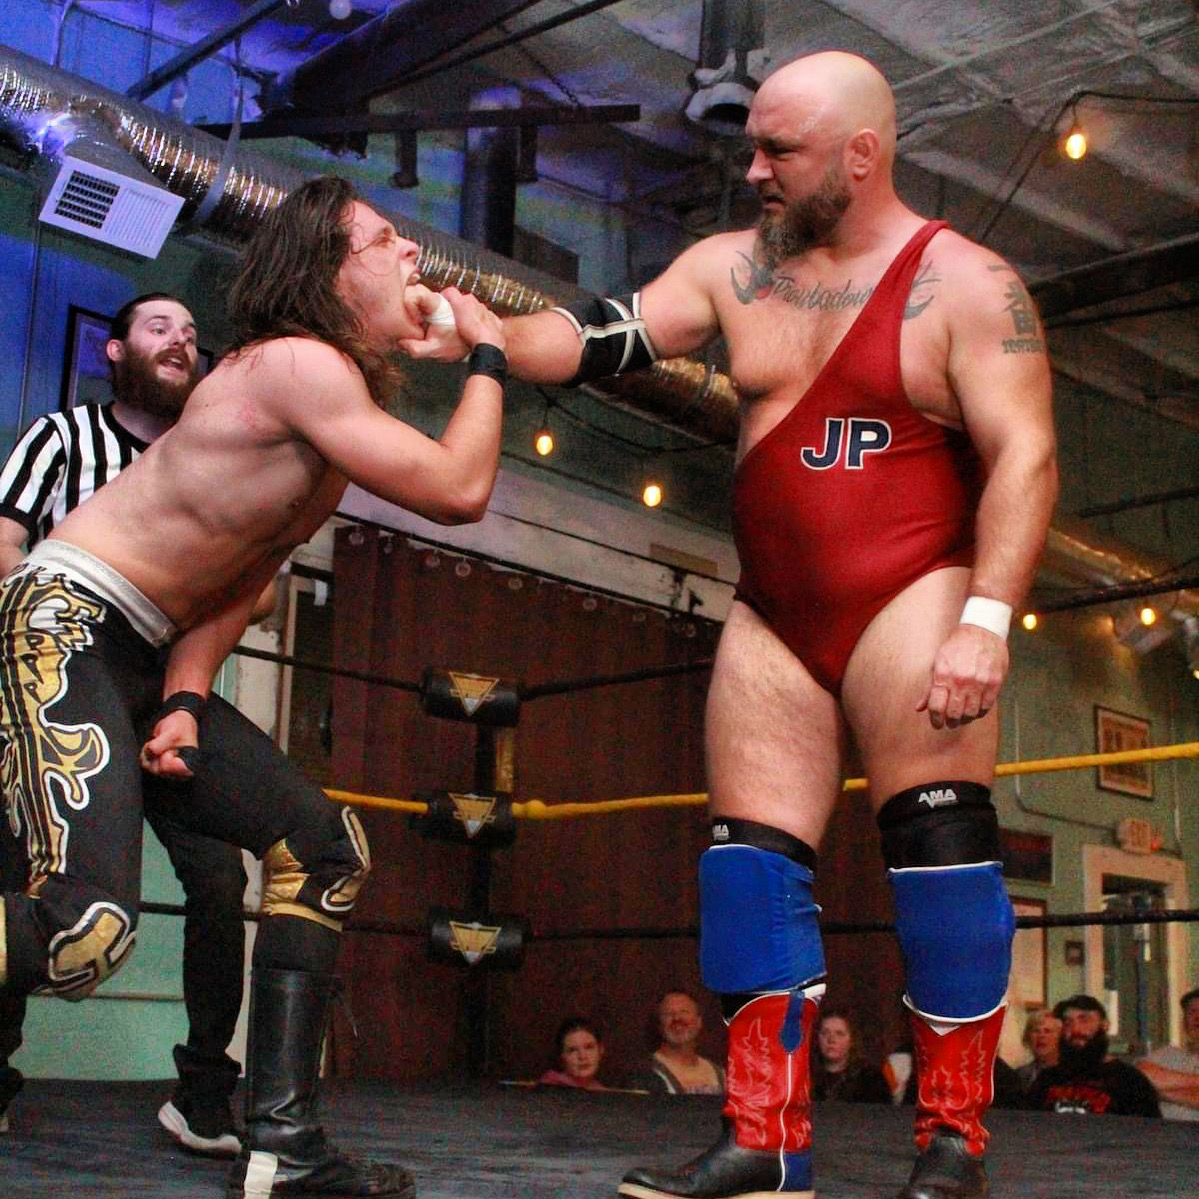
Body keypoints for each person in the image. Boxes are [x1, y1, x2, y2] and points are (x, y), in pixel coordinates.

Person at [408, 49, 1057, 1199]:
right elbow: (600, 338)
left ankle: (952, 1138)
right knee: (744, 873)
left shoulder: (963, 285)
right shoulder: (729, 269)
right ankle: (767, 1139)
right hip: (771, 607)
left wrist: (986, 620)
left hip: (915, 589)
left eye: (778, 151)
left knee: (940, 860)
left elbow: (1024, 456)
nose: (751, 169)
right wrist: (489, 334)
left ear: (860, 155)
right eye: (747, 146)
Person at [0, 174, 507, 1199]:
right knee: (85, 933)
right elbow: (459, 489)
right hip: (63, 618)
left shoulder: (326, 416)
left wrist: (185, 692)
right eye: (384, 242)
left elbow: (242, 577)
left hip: (141, 652)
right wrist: (488, 354)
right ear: (326, 270)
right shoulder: (295, 365)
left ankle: (283, 1143)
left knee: (323, 850)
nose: (411, 256)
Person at [0, 293, 255, 1156]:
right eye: (159, 327)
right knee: (20, 861)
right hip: (64, 668)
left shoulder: (216, 464)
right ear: (114, 351)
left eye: (193, 330)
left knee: (221, 874)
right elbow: (4, 544)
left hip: (165, 692)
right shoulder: (64, 438)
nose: (182, 338)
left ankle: (205, 1089)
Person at [1024, 995, 1161, 1117]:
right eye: (1067, 1022)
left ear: (1105, 1025)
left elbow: (1148, 1136)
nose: (1075, 1029)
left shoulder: (1130, 1081)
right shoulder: (1047, 1079)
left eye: (1084, 1019)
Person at [634, 990, 725, 1096]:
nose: (677, 1018)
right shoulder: (646, 1074)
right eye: (668, 1014)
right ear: (659, 1024)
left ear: (699, 1021)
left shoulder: (719, 1075)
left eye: (684, 1012)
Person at [1136, 986, 1199, 1121]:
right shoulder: (1167, 1054)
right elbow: (1140, 1077)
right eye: (1192, 1011)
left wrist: (1159, 1092)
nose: (1197, 1017)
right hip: (1161, 1137)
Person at [810, 1009, 890, 1104]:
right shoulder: (806, 1075)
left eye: (839, 1034)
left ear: (852, 1040)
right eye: (825, 1033)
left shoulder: (870, 1079)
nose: (831, 1040)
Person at [538, 1016, 609, 1091]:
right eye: (572, 1050)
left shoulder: (602, 1092)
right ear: (562, 1056)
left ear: (600, 1050)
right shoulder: (549, 1087)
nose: (582, 1056)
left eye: (589, 1047)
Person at [1015, 1008, 1061, 1093]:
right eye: (1036, 1031)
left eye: (1047, 1031)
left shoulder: (1068, 1073)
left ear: (1059, 1037)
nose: (1041, 1036)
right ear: (1028, 1037)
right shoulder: (1019, 1075)